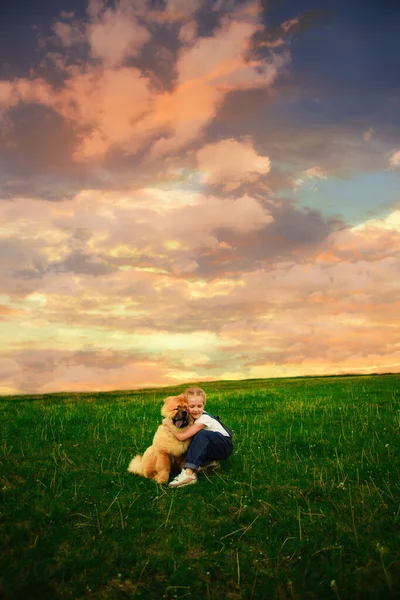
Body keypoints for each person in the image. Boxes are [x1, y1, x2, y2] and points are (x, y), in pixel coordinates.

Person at [162, 387, 233, 488]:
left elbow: (182, 437)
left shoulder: (203, 419)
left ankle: (189, 474)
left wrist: (168, 424)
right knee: (193, 439)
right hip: (213, 446)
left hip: (224, 446)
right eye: (191, 406)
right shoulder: (191, 417)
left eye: (199, 406)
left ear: (204, 405)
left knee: (201, 435)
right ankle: (207, 464)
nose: (196, 410)